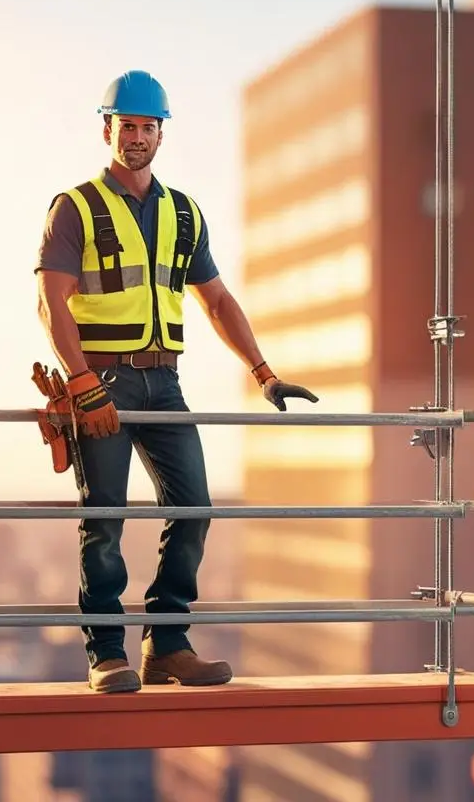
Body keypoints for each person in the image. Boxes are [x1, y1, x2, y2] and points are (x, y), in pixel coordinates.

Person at [34, 70, 318, 693]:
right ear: (107, 128)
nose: (136, 137)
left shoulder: (184, 213)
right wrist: (83, 384)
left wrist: (263, 373)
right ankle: (105, 652)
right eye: (127, 125)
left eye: (147, 127)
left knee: (193, 507)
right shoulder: (75, 207)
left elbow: (216, 301)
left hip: (165, 384)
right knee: (104, 517)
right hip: (101, 381)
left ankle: (166, 644)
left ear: (162, 134)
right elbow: (51, 302)